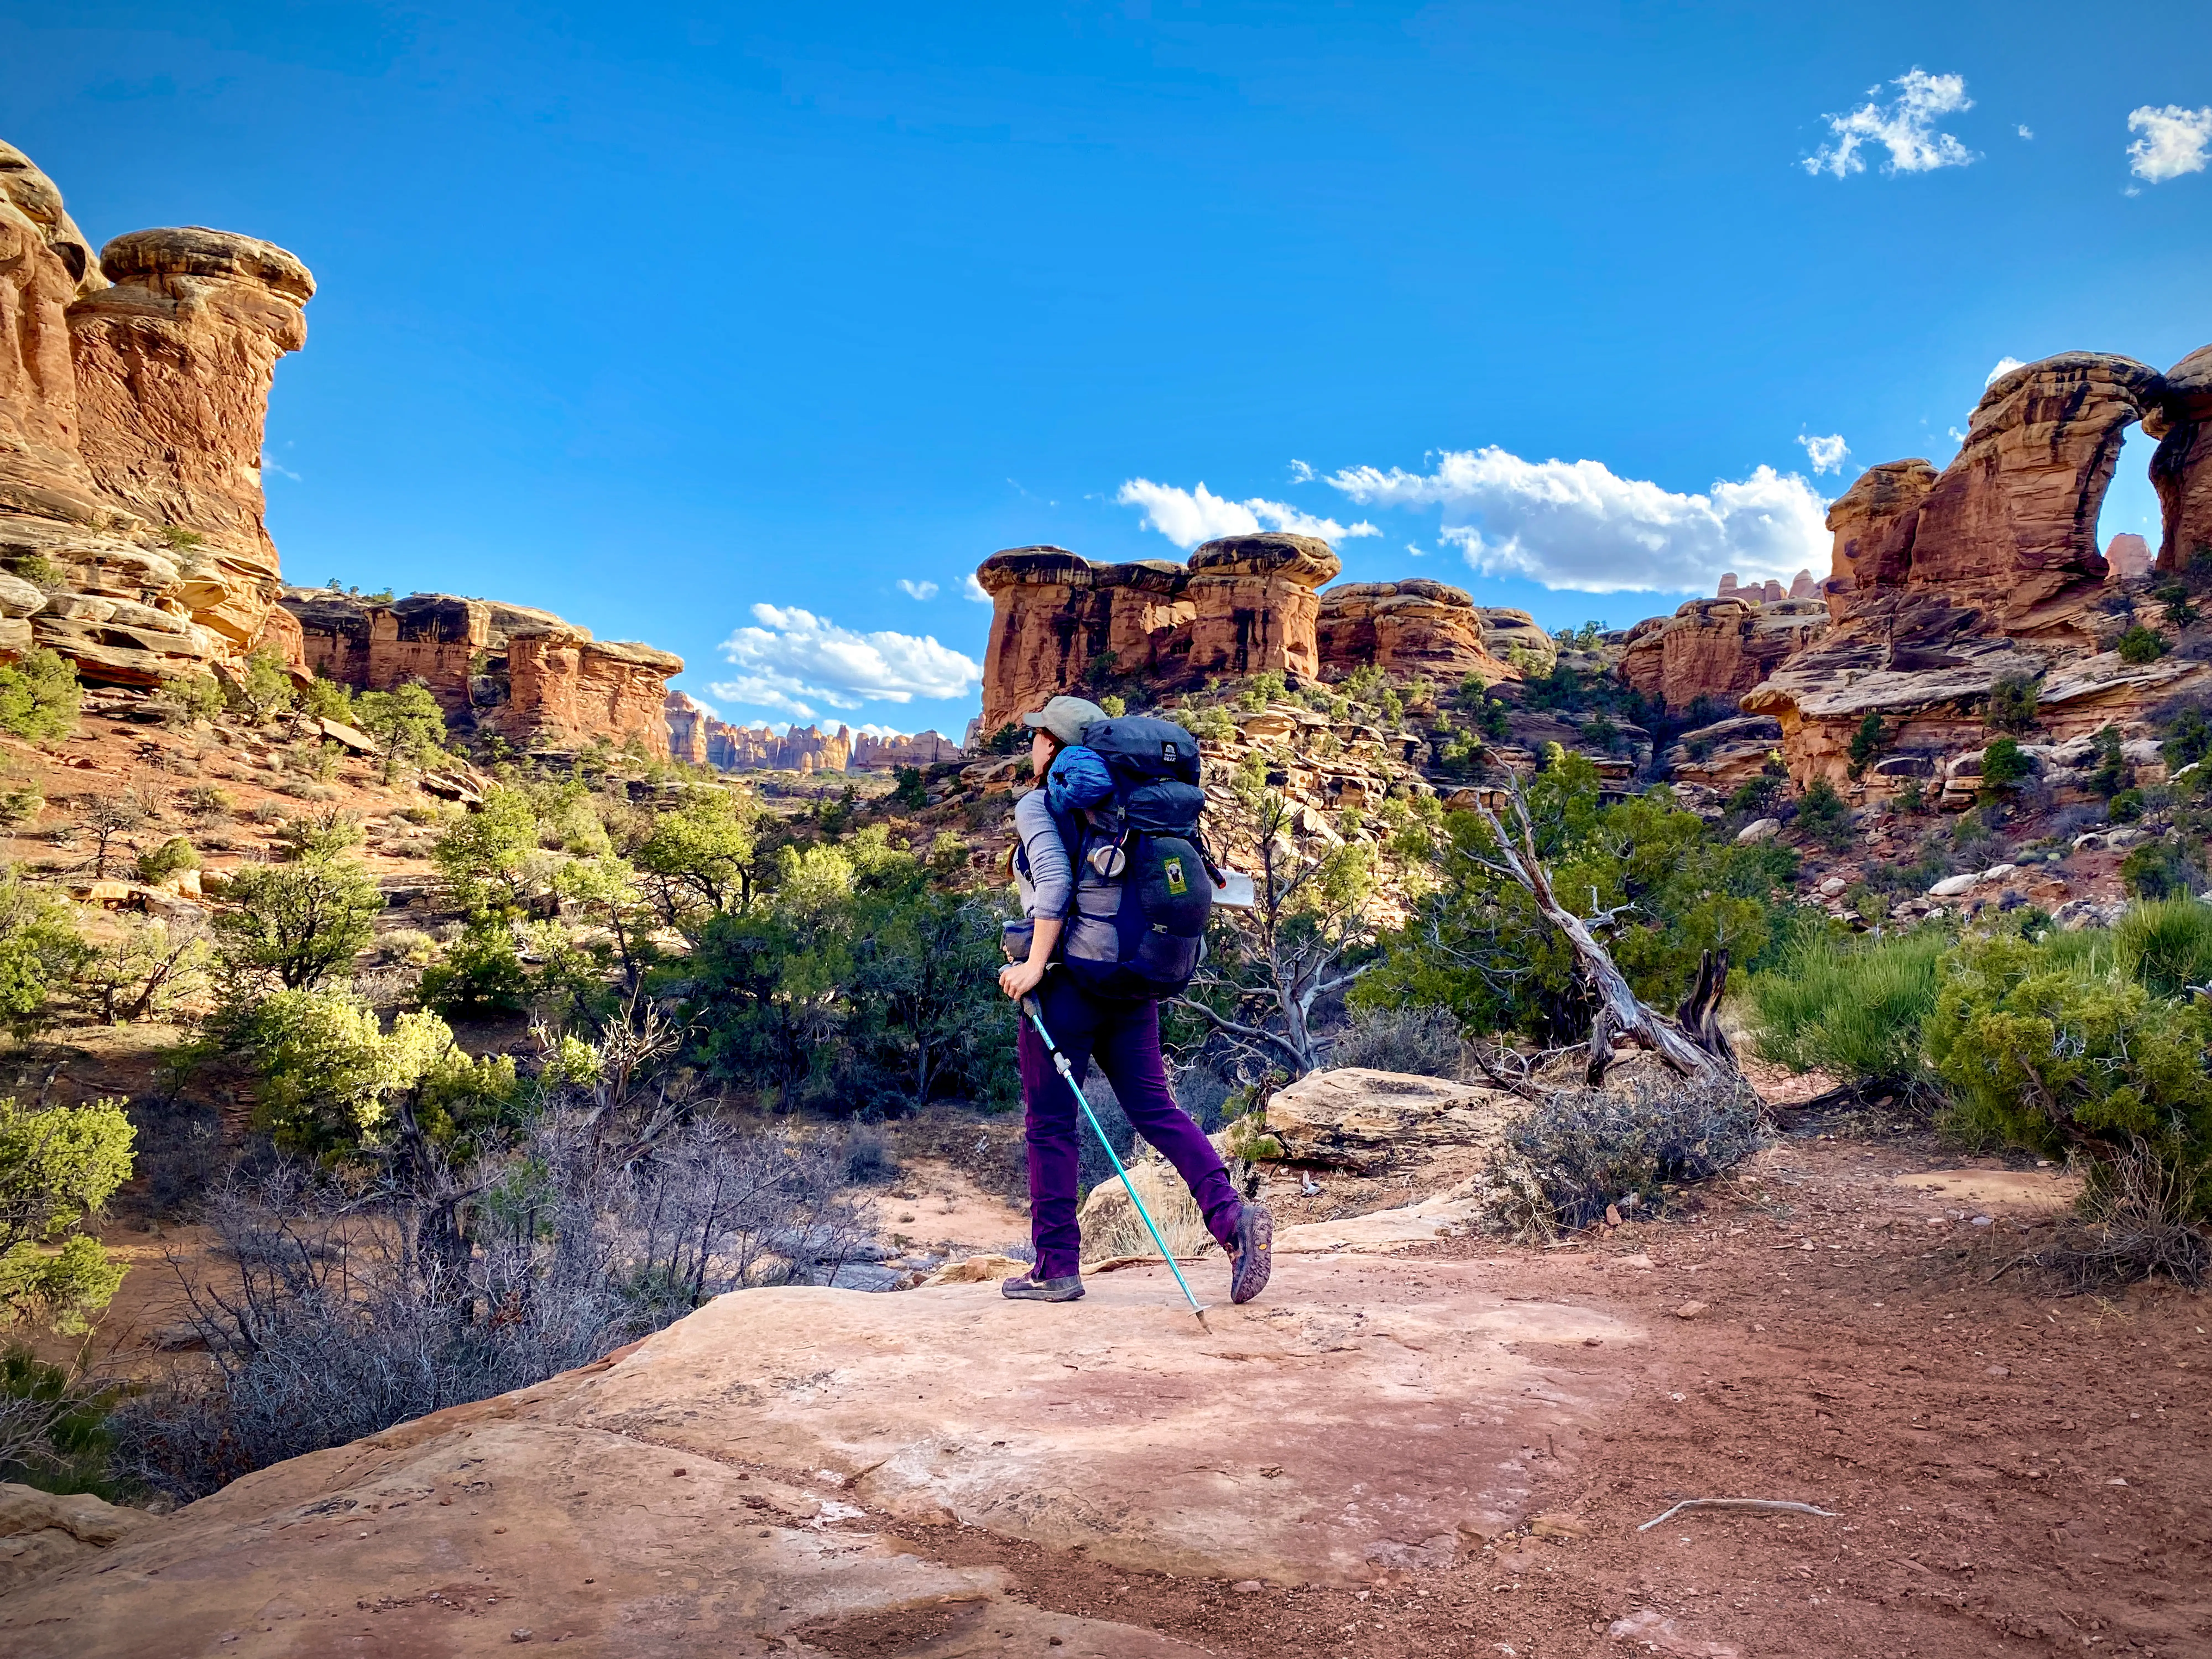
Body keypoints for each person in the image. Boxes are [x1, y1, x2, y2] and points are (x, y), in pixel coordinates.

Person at [995, 694, 1273, 1305]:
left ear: (1057, 748)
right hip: (1133, 980)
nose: (1032, 743)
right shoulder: (1141, 809)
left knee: (1050, 1126)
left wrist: (1034, 965)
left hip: (1067, 983)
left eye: (1039, 735)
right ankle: (1231, 1220)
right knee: (1156, 1111)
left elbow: (1056, 884)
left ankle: (1055, 1269)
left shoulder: (1042, 804)